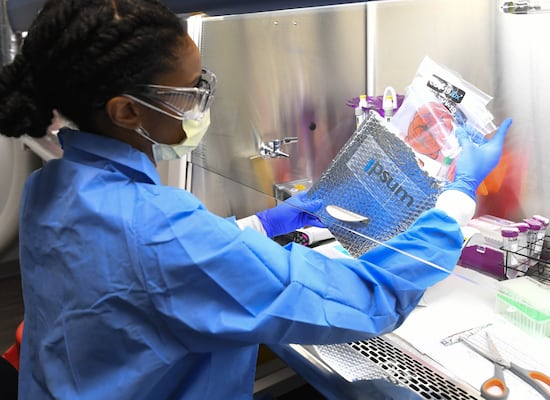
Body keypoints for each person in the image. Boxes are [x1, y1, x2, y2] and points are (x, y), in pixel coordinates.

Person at [0, 0, 512, 398]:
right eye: (188, 91)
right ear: (126, 112)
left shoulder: (55, 186)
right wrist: (456, 199)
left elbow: (145, 276)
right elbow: (363, 296)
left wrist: (268, 223)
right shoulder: (161, 232)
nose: (203, 100)